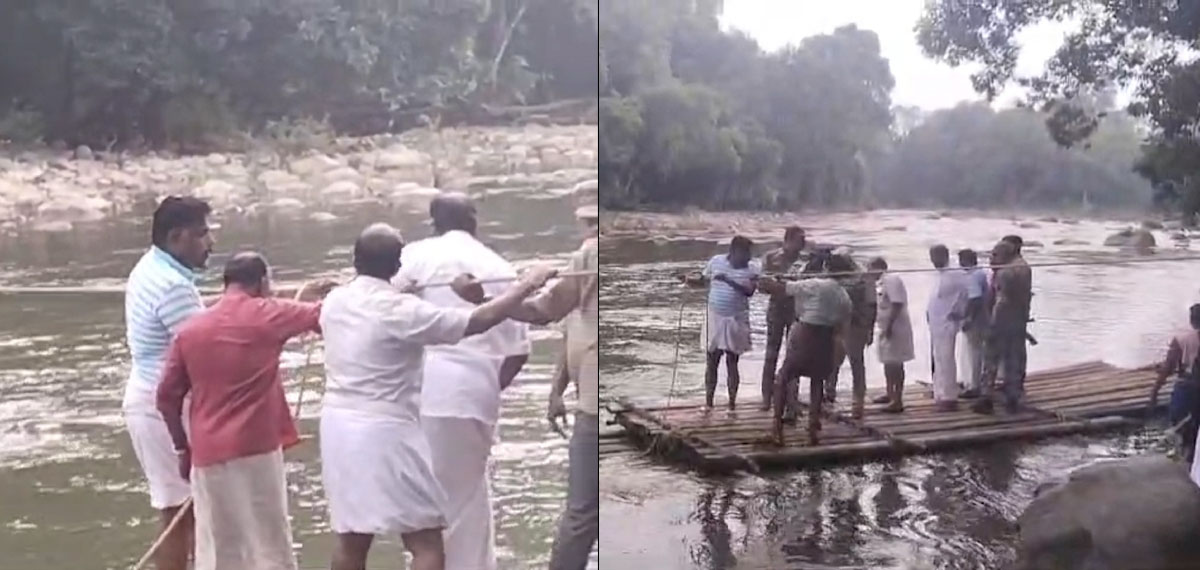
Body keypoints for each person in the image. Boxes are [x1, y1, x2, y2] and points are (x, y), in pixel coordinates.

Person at [317, 223, 556, 570]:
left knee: (352, 536)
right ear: (397, 266)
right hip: (385, 432)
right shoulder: (399, 311)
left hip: (338, 429)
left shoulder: (335, 301)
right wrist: (528, 283)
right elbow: (477, 321)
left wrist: (405, 290)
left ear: (355, 261)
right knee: (426, 541)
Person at [449, 183, 599, 570]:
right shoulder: (592, 260)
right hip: (595, 393)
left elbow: (542, 311)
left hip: (595, 406)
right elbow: (577, 323)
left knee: (582, 512)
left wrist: (485, 300)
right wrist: (556, 390)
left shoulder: (591, 253)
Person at [156, 253, 334, 570]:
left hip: (207, 451)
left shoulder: (191, 329)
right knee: (269, 542)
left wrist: (182, 446)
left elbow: (166, 397)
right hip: (257, 448)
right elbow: (326, 317)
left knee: (218, 546)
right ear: (263, 282)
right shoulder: (269, 313)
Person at [395, 193, 530, 570]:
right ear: (474, 220)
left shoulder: (410, 258)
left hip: (415, 394)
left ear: (433, 221)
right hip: (472, 393)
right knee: (466, 500)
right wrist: (487, 387)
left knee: (427, 504)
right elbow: (519, 352)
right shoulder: (497, 264)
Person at [123, 195, 215, 570]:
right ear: (177, 237)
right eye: (203, 234)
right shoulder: (172, 286)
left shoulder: (150, 267)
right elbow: (211, 348)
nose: (211, 243)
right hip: (163, 408)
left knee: (182, 511)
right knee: (180, 513)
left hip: (150, 399)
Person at [758, 253, 852, 445]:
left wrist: (764, 280)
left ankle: (776, 427)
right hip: (826, 338)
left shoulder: (816, 284)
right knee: (817, 382)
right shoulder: (844, 295)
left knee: (783, 378)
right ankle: (812, 427)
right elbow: (843, 321)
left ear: (826, 267)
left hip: (806, 334)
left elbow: (781, 289)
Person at [685, 236, 760, 410]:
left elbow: (749, 292)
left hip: (736, 318)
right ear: (734, 252)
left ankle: (731, 405)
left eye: (750, 253)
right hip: (715, 317)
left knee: (732, 362)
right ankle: (708, 403)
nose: (748, 257)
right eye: (745, 253)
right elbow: (704, 282)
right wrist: (688, 281)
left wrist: (728, 281)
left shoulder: (753, 268)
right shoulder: (716, 261)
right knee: (712, 361)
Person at [973, 240, 1033, 415]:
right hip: (1018, 319)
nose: (991, 259)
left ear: (1004, 255)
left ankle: (986, 398)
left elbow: (1002, 301)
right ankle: (1012, 398)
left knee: (991, 359)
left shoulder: (1005, 273)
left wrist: (992, 322)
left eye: (994, 255)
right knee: (1013, 360)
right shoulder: (1024, 267)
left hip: (1002, 321)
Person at [1148, 304, 1200, 474]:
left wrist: (1155, 391)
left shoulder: (1181, 339)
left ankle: (1186, 466)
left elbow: (1168, 369)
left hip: (1187, 390)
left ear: (1191, 320)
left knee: (1181, 428)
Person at [759, 226, 806, 410]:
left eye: (804, 240)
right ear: (788, 240)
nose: (802, 243)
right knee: (771, 354)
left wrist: (783, 285)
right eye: (799, 240)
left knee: (795, 356)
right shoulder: (771, 258)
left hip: (798, 311)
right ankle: (766, 397)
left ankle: (792, 399)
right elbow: (762, 285)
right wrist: (781, 286)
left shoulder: (806, 260)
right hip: (776, 310)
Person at [825, 251, 877, 418]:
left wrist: (870, 328)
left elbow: (872, 305)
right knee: (834, 360)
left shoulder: (863, 279)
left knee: (855, 362)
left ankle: (858, 399)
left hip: (856, 325)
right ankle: (829, 392)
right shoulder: (835, 279)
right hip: (839, 324)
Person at [868, 257, 915, 413]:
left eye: (870, 268)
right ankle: (890, 393)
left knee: (896, 363)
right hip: (884, 327)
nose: (868, 272)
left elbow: (896, 303)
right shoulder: (880, 283)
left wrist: (889, 325)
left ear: (878, 267)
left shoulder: (891, 279)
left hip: (895, 327)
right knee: (887, 361)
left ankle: (898, 399)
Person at [926, 244, 969, 411]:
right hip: (936, 322)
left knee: (946, 358)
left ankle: (949, 397)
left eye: (935, 257)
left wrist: (961, 313)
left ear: (944, 255)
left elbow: (966, 294)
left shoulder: (956, 273)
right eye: (931, 257)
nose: (933, 261)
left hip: (948, 322)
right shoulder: (939, 274)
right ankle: (939, 392)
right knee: (937, 358)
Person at [958, 249, 989, 399]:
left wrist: (968, 318)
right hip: (983, 318)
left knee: (973, 353)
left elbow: (975, 299)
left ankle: (974, 385)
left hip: (976, 320)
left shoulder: (972, 277)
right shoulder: (980, 273)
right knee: (978, 352)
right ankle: (975, 382)